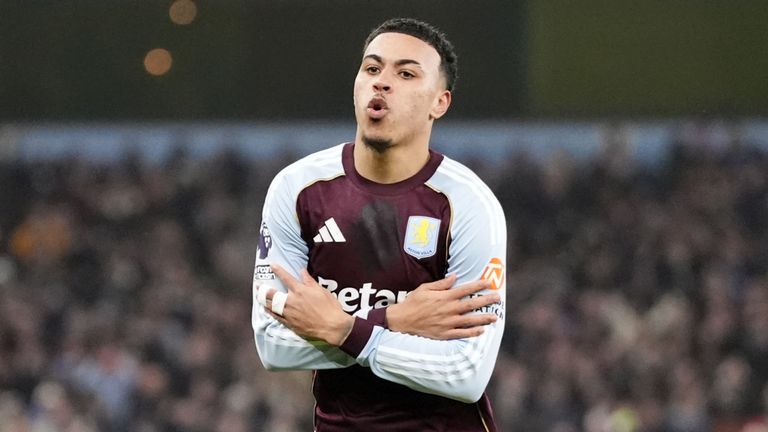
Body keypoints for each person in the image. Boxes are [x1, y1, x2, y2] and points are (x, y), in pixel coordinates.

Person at [252, 17, 507, 431]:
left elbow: (465, 372)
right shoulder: (297, 189)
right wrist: (394, 320)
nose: (382, 82)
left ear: (439, 103)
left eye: (405, 73)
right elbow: (272, 344)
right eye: (372, 69)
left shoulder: (468, 203)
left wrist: (342, 327)